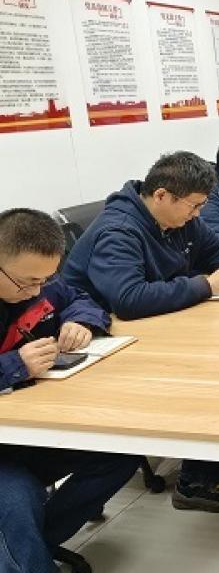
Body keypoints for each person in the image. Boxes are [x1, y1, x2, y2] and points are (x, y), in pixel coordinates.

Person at [62, 151, 219, 513]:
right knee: (211, 368)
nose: (197, 214)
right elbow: (128, 299)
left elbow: (218, 246)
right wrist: (206, 285)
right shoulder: (119, 230)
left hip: (155, 323)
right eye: (194, 206)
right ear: (162, 195)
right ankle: (196, 481)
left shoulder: (179, 217)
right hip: (98, 337)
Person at [0, 208, 141, 572]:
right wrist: (15, 365)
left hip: (27, 432)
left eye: (45, 279)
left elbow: (79, 298)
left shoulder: (38, 284)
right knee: (17, 501)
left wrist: (81, 321)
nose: (37, 291)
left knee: (119, 452)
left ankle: (30, 548)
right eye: (26, 282)